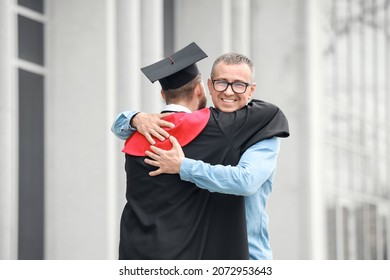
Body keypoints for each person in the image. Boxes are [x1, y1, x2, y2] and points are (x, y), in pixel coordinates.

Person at [115, 42, 289, 259]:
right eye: (221, 83)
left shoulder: (261, 125)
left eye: (239, 85)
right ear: (206, 86)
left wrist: (183, 166)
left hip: (249, 252)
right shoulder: (210, 126)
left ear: (251, 89)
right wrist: (134, 118)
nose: (228, 92)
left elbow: (247, 181)